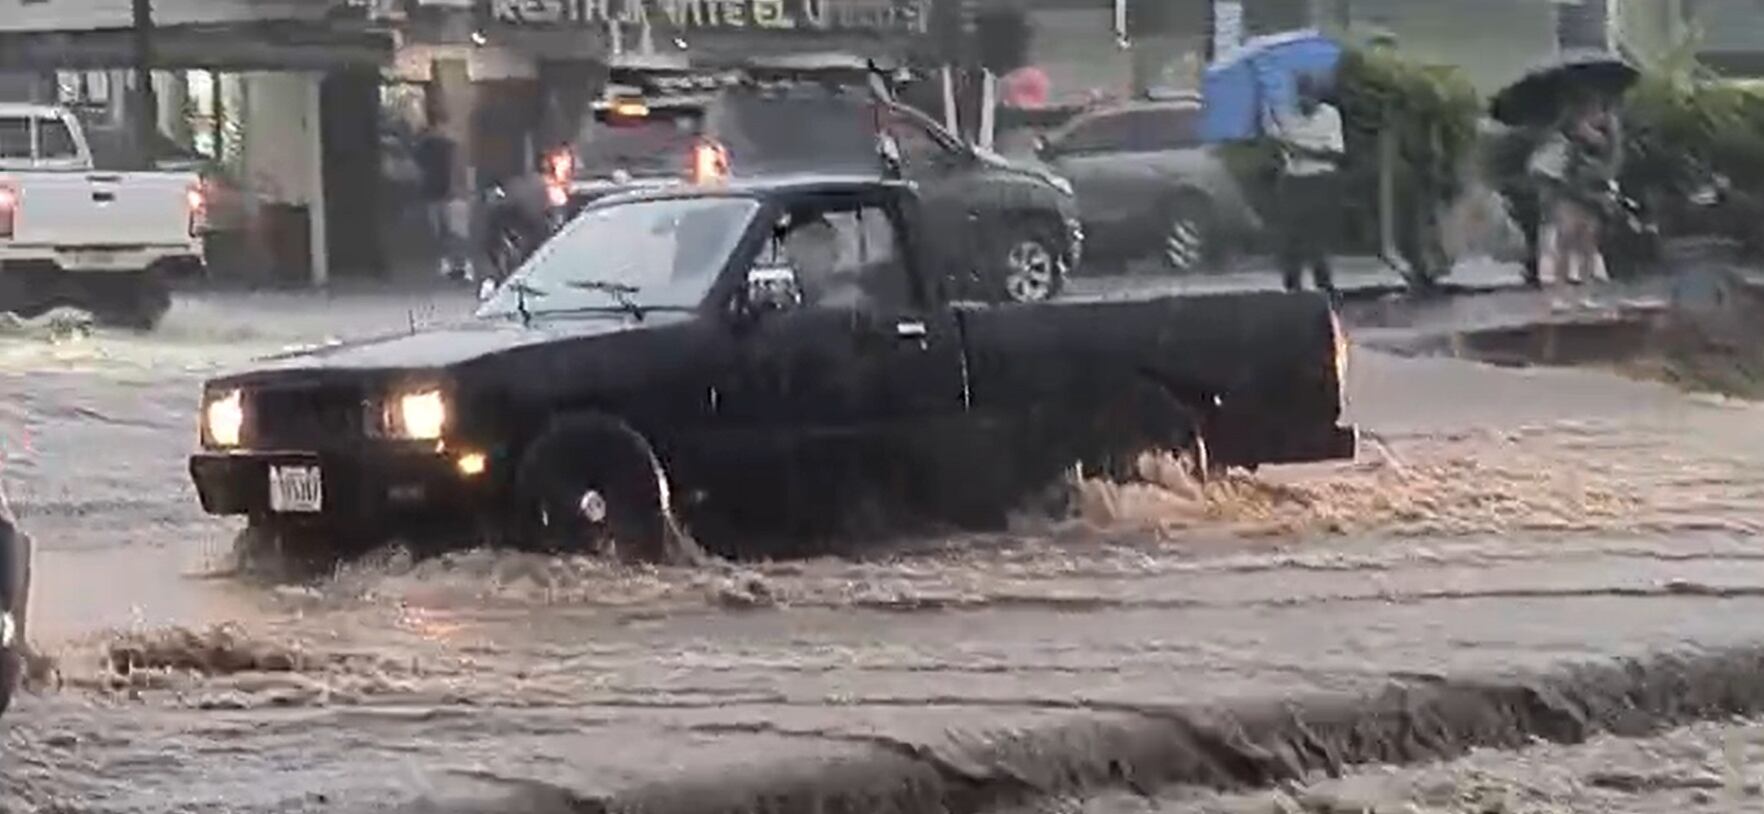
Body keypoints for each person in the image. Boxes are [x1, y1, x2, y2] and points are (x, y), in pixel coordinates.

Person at [1266, 73, 1346, 298]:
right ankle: (1292, 286)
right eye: (1301, 96)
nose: (1305, 101)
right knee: (1291, 238)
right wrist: (1279, 144)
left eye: (1309, 96)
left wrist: (1302, 151)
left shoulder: (1329, 116)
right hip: (1293, 181)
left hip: (1320, 181)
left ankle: (1324, 286)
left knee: (1317, 238)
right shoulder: (1286, 115)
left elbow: (1335, 153)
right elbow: (1277, 144)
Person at [1529, 93, 1621, 287]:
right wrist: (1576, 139)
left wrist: (1598, 140)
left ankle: (1585, 290)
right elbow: (1557, 160)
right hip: (1569, 190)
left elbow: (1611, 160)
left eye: (1598, 109)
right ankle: (1561, 290)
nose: (1595, 114)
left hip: (1594, 192)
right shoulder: (1566, 130)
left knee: (1588, 241)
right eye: (1590, 109)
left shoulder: (1609, 131)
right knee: (1566, 237)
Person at [414, 119, 472, 281]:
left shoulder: (440, 147)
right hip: (442, 193)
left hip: (444, 194)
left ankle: (454, 263)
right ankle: (454, 263)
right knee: (450, 232)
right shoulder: (444, 147)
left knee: (449, 232)